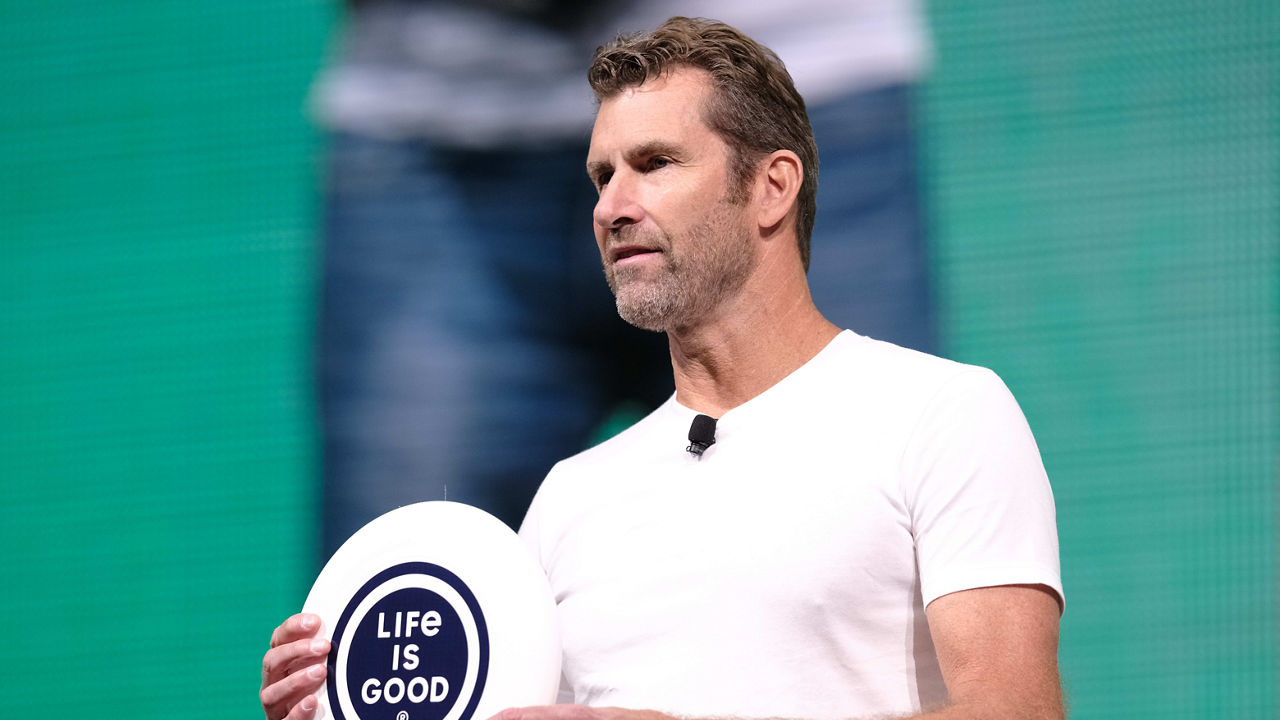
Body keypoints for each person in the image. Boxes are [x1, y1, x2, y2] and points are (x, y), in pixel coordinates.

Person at [263, 17, 1064, 720]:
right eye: (602, 176)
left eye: (655, 163)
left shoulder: (941, 415)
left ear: (772, 187)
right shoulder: (569, 500)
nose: (612, 207)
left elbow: (1018, 711)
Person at [315, 0, 935, 553]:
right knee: (402, 610)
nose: (612, 208)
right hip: (427, 122)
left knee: (860, 554)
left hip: (801, 76)